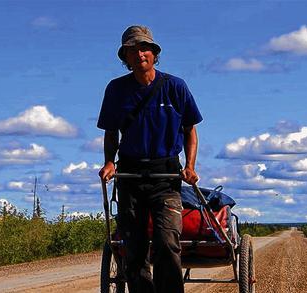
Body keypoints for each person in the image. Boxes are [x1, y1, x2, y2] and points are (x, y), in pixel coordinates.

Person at [97, 25, 203, 293]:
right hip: (130, 176)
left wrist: (189, 167)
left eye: (144, 48)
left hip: (165, 177)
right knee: (133, 249)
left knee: (167, 242)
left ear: (155, 53)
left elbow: (190, 130)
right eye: (132, 50)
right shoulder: (116, 90)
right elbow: (111, 133)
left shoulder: (175, 87)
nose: (139, 53)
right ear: (125, 58)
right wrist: (110, 162)